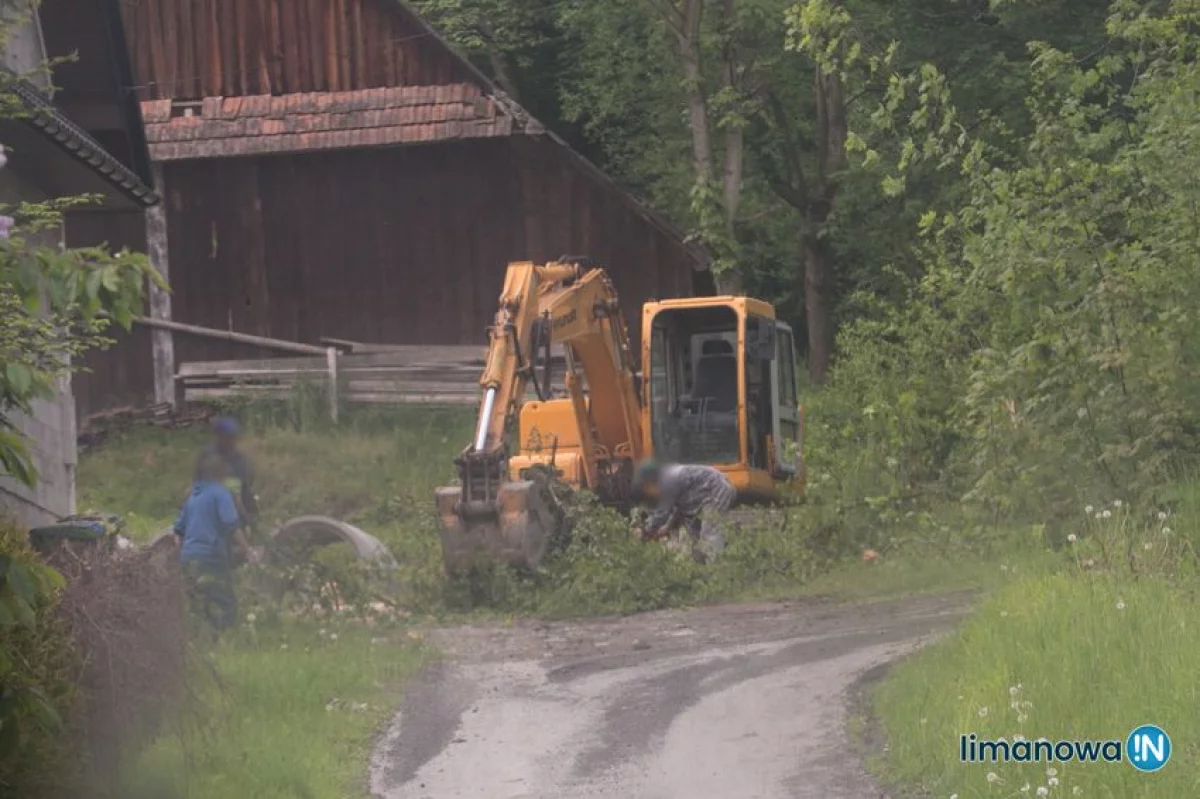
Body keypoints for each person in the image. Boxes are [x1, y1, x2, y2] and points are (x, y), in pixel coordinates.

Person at [174, 451, 248, 631]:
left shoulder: (193, 496)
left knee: (198, 604)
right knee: (226, 603)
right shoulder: (219, 493)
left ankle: (200, 642)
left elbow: (178, 532)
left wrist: (182, 554)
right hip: (210, 556)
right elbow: (231, 524)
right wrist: (245, 547)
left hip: (188, 558)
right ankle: (224, 641)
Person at [634, 459, 737, 563]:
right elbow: (677, 509)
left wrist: (644, 531)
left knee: (710, 532)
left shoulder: (668, 479)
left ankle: (717, 571)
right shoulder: (670, 479)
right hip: (701, 497)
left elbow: (662, 513)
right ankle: (701, 568)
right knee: (694, 534)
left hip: (717, 490)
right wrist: (667, 527)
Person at [200, 416, 258, 526]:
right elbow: (200, 480)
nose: (231, 440)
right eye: (227, 437)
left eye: (232, 437)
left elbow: (246, 483)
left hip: (238, 500)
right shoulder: (208, 455)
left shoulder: (239, 458)